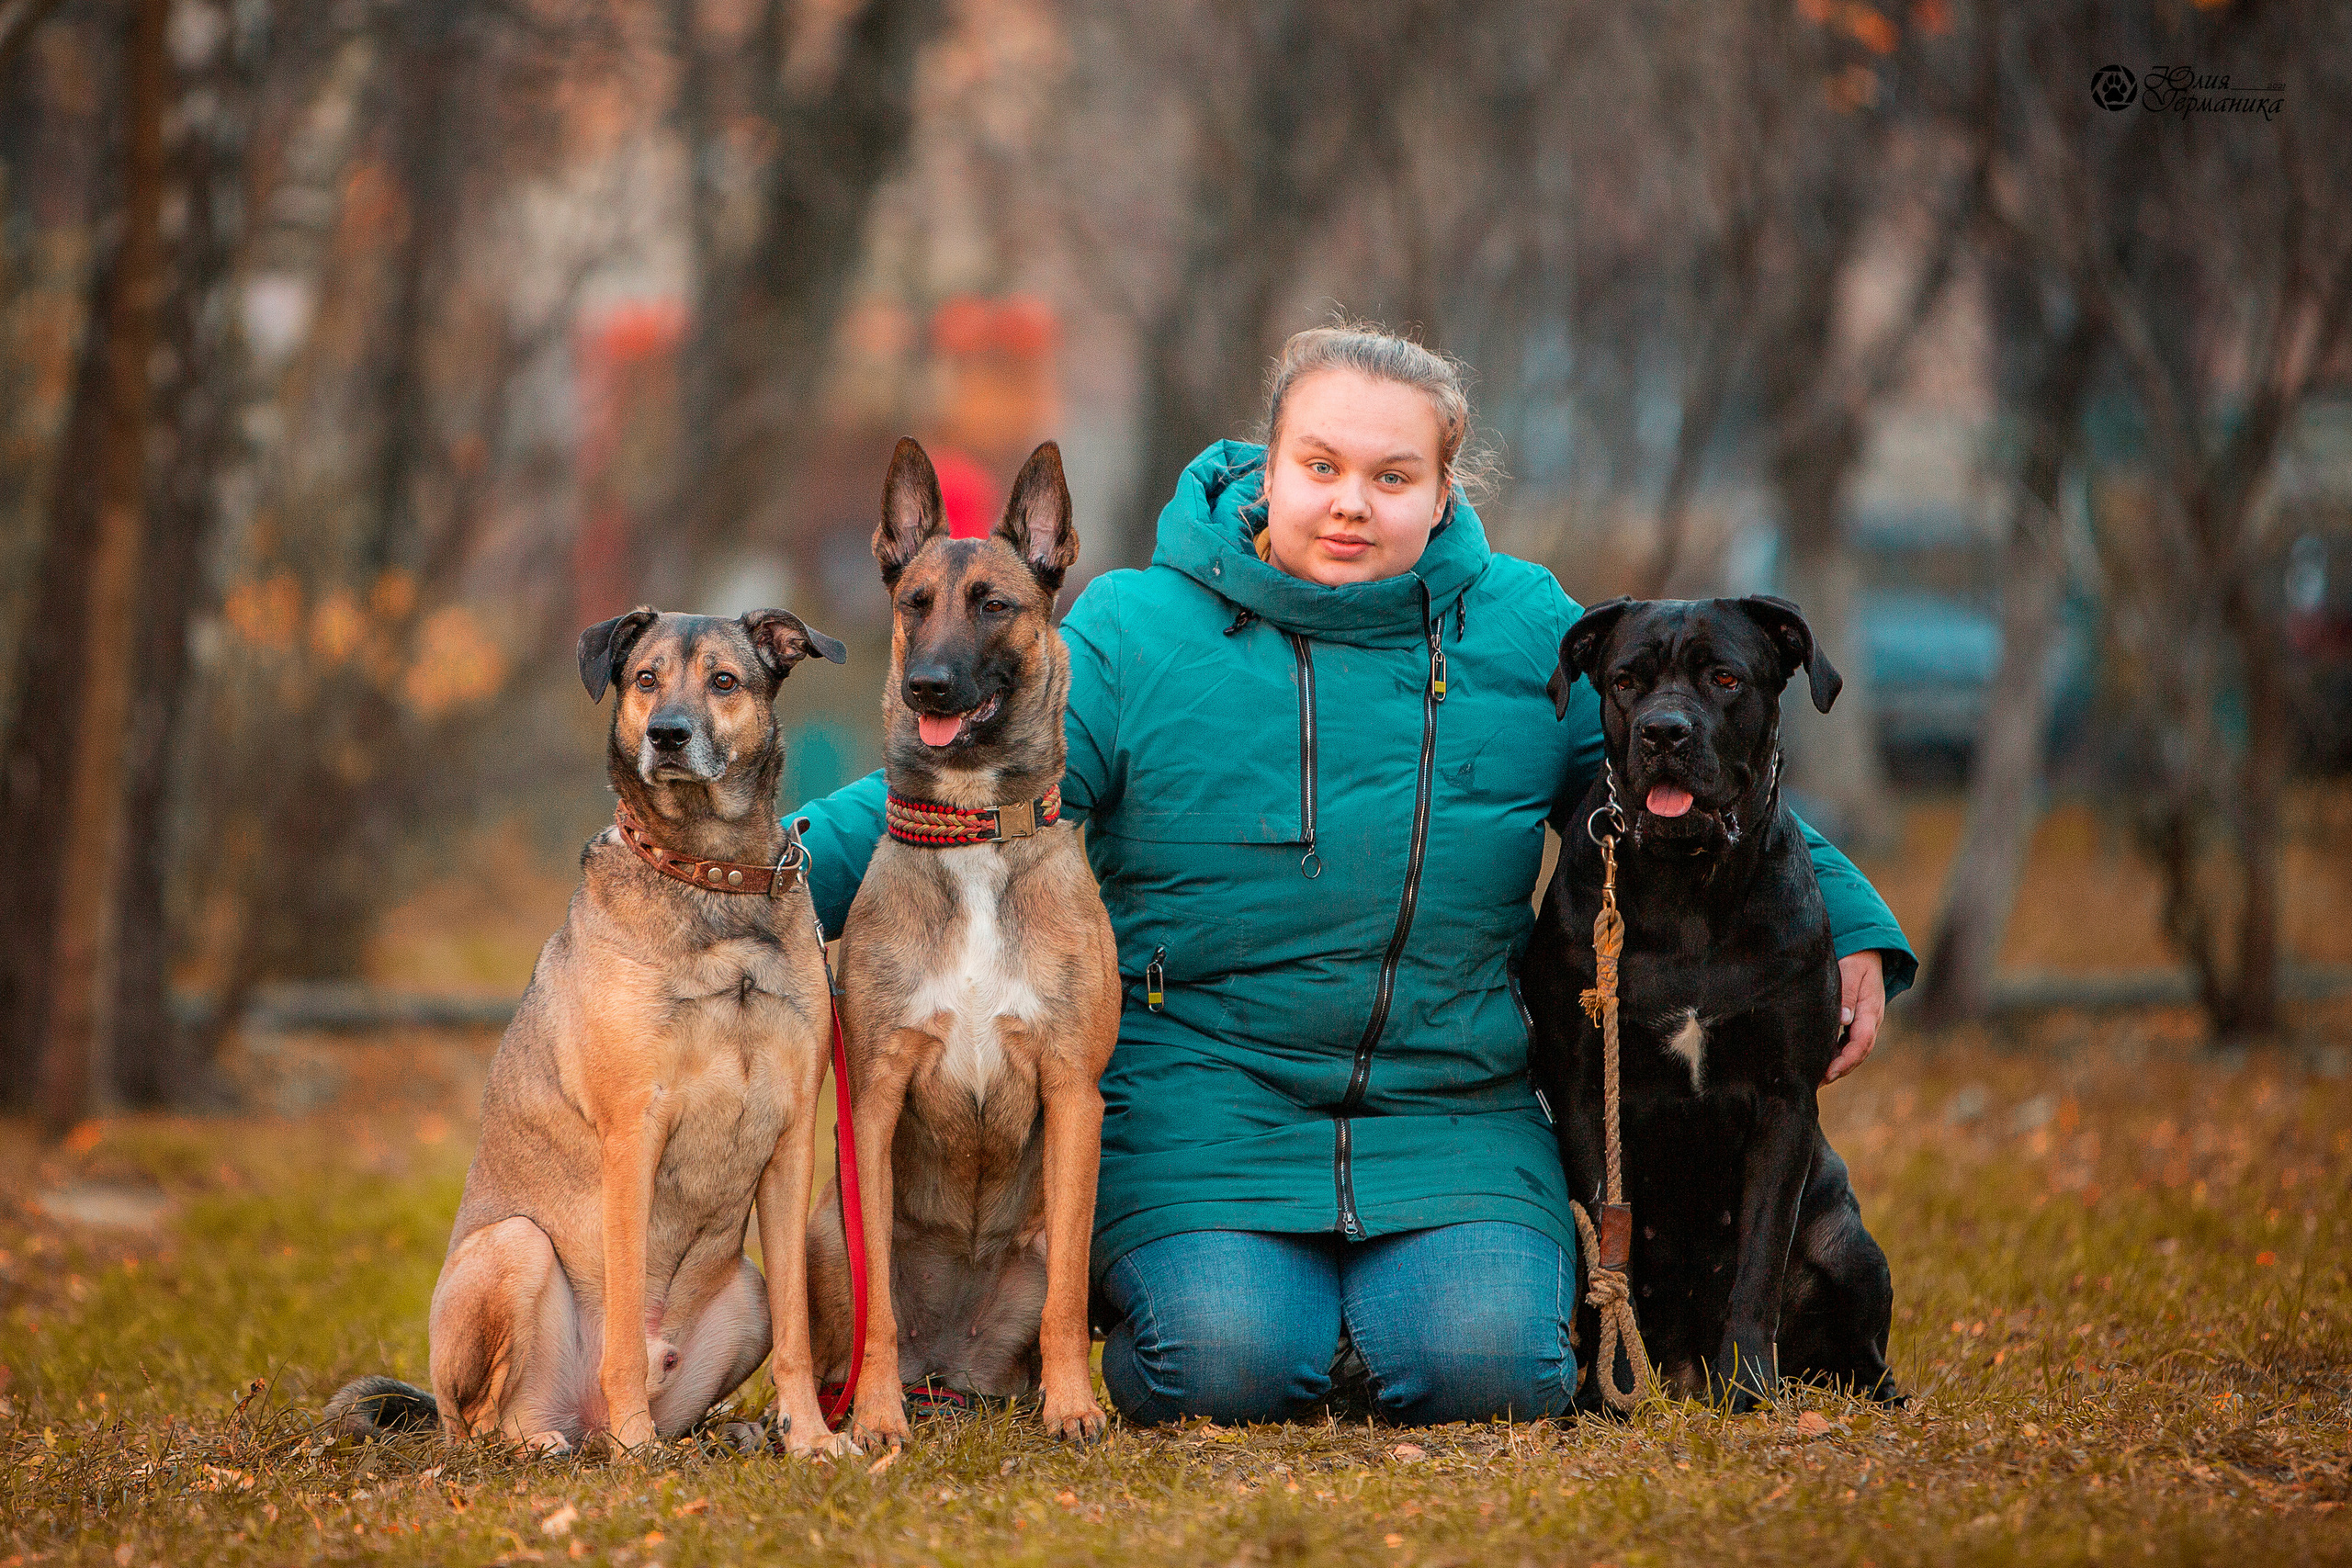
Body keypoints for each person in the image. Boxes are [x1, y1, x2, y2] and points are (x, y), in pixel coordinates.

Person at [791, 323, 1916, 1427]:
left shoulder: (1523, 627)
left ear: (1442, 492)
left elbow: (1679, 779)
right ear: (1267, 469)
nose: (1349, 503)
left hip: (1449, 1108)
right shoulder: (1136, 630)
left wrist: (1852, 919)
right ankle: (1278, 1325)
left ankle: (1361, 1332)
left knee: (1500, 1369)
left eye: (1392, 476)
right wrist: (752, 879)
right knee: (1216, 1362)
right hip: (1206, 1107)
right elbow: (944, 795)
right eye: (1320, 466)